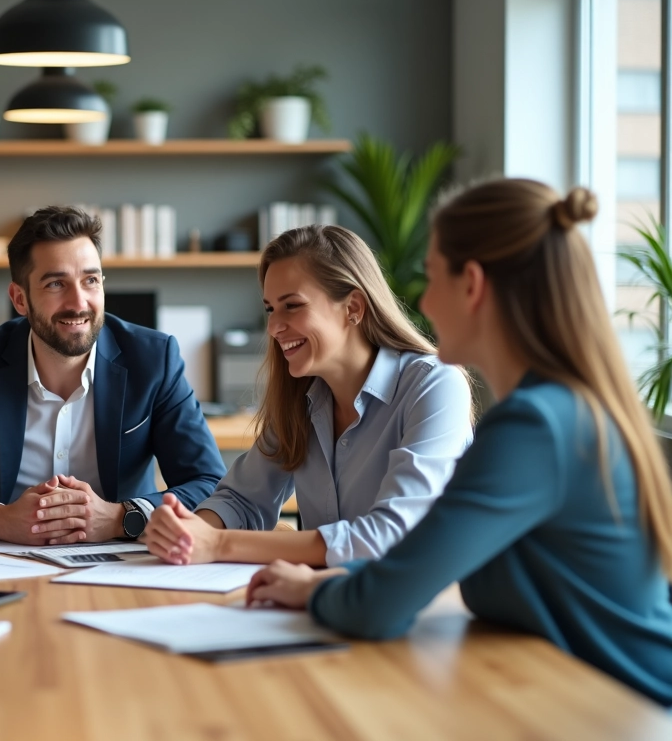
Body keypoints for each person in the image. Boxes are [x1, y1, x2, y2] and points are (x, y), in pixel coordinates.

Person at [247, 180, 672, 707]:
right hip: (580, 703)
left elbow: (381, 605)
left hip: (638, 721)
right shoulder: (551, 412)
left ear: (471, 285)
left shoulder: (533, 428)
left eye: (431, 277)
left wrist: (318, 589)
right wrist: (328, 584)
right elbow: (419, 564)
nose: (423, 302)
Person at [0, 206, 226, 546]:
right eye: (56, 284)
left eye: (90, 280)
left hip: (123, 556)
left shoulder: (153, 359)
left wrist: (120, 518)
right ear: (20, 299)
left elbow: (209, 483)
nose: (78, 303)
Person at [144, 224, 473, 567]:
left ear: (353, 307)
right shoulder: (300, 400)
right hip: (327, 593)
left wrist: (219, 544)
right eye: (270, 309)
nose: (273, 327)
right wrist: (190, 533)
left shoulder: (435, 385)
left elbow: (392, 535)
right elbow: (242, 500)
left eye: (292, 305)